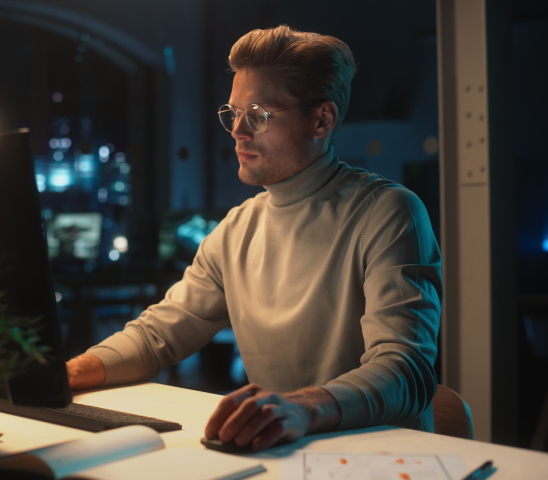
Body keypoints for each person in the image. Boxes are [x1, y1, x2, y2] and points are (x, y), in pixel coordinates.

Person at [66, 25, 442, 451]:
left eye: (260, 114)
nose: (238, 131)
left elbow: (405, 369)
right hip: (282, 453)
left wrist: (303, 408)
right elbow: (157, 336)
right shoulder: (236, 229)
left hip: (385, 460)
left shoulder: (388, 212)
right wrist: (69, 373)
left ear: (322, 119)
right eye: (233, 113)